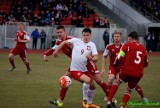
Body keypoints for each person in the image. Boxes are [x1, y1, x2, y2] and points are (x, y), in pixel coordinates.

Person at [43, 26, 107, 108]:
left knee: (95, 82)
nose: (59, 34)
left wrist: (91, 56)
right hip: (75, 65)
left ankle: (108, 97)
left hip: (86, 63)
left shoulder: (73, 39)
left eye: (61, 32)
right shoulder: (59, 42)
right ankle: (60, 101)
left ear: (64, 32)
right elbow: (53, 49)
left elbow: (83, 45)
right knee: (65, 79)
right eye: (58, 32)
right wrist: (46, 54)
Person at [101, 32, 148, 104]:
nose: (116, 38)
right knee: (110, 79)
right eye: (115, 36)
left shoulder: (125, 45)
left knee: (124, 81)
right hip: (113, 66)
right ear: (113, 37)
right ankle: (108, 96)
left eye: (118, 36)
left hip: (123, 66)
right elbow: (104, 56)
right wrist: (103, 68)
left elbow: (121, 57)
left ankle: (143, 96)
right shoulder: (109, 46)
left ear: (121, 37)